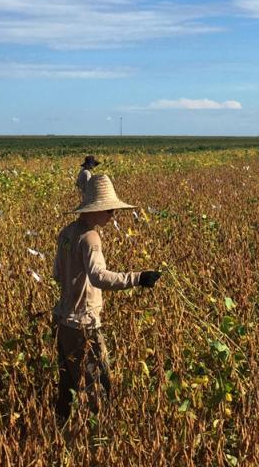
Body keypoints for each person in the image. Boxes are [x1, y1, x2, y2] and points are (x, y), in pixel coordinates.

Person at [52, 174, 162, 420]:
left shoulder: (67, 233)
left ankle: (59, 435)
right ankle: (97, 438)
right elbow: (99, 277)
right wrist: (138, 277)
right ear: (96, 209)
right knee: (98, 387)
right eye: (110, 210)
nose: (113, 216)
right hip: (83, 325)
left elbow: (57, 274)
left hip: (62, 321)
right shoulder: (91, 237)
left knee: (67, 387)